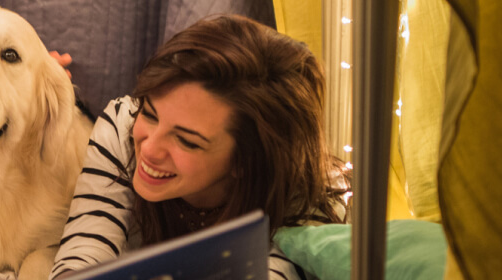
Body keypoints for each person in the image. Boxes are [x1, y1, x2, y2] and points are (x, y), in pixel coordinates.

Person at [50, 15, 347, 280]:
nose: (150, 149)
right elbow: (84, 249)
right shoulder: (123, 125)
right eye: (150, 114)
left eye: (187, 141)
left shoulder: (305, 197)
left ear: (246, 160)